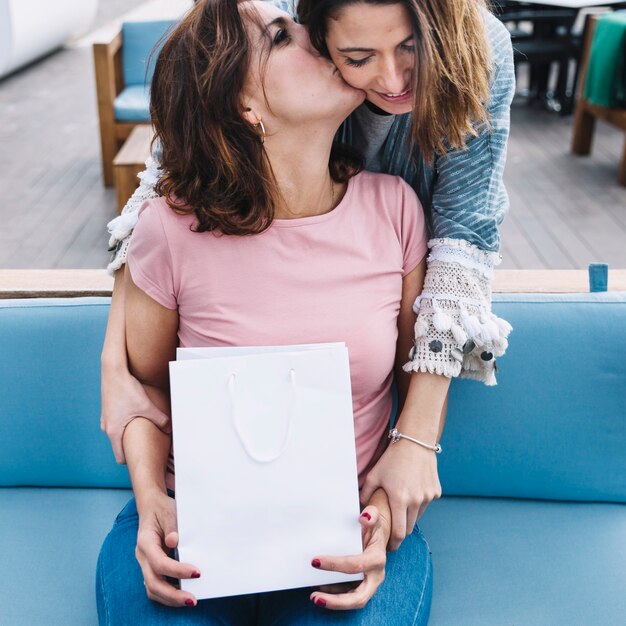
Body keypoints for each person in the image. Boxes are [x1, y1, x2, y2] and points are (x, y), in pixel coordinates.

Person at [102, 0, 514, 549]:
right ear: (320, 34)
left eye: (411, 47)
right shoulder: (290, 26)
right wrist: (113, 358)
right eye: (357, 55)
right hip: (206, 509)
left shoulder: (474, 54)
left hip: (377, 249)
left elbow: (463, 241)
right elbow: (173, 174)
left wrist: (414, 441)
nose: (391, 81)